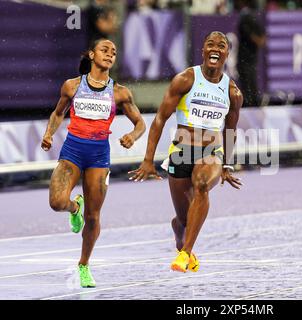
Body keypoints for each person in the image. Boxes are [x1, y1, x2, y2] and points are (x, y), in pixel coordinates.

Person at [128, 31, 243, 273]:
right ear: (202, 50)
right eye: (210, 44)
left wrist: (227, 164)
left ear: (226, 54)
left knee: (201, 185)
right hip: (181, 153)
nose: (215, 48)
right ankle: (180, 233)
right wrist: (148, 160)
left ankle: (186, 253)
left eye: (221, 45)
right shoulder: (185, 79)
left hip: (212, 152)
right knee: (184, 219)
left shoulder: (232, 93)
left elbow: (230, 131)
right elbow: (160, 119)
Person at [41, 39, 146, 287]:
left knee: (94, 216)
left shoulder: (120, 92)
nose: (110, 55)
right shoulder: (72, 86)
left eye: (114, 52)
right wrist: (48, 133)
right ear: (91, 54)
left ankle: (84, 265)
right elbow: (58, 113)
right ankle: (74, 208)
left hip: (99, 156)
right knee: (57, 202)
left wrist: (132, 136)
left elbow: (140, 123)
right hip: (73, 151)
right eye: (104, 50)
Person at [235, 0, 266, 107]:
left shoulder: (246, 18)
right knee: (250, 85)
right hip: (249, 58)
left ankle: (251, 106)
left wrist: (257, 39)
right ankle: (252, 105)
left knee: (248, 86)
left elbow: (258, 38)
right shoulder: (252, 17)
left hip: (246, 58)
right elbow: (261, 37)